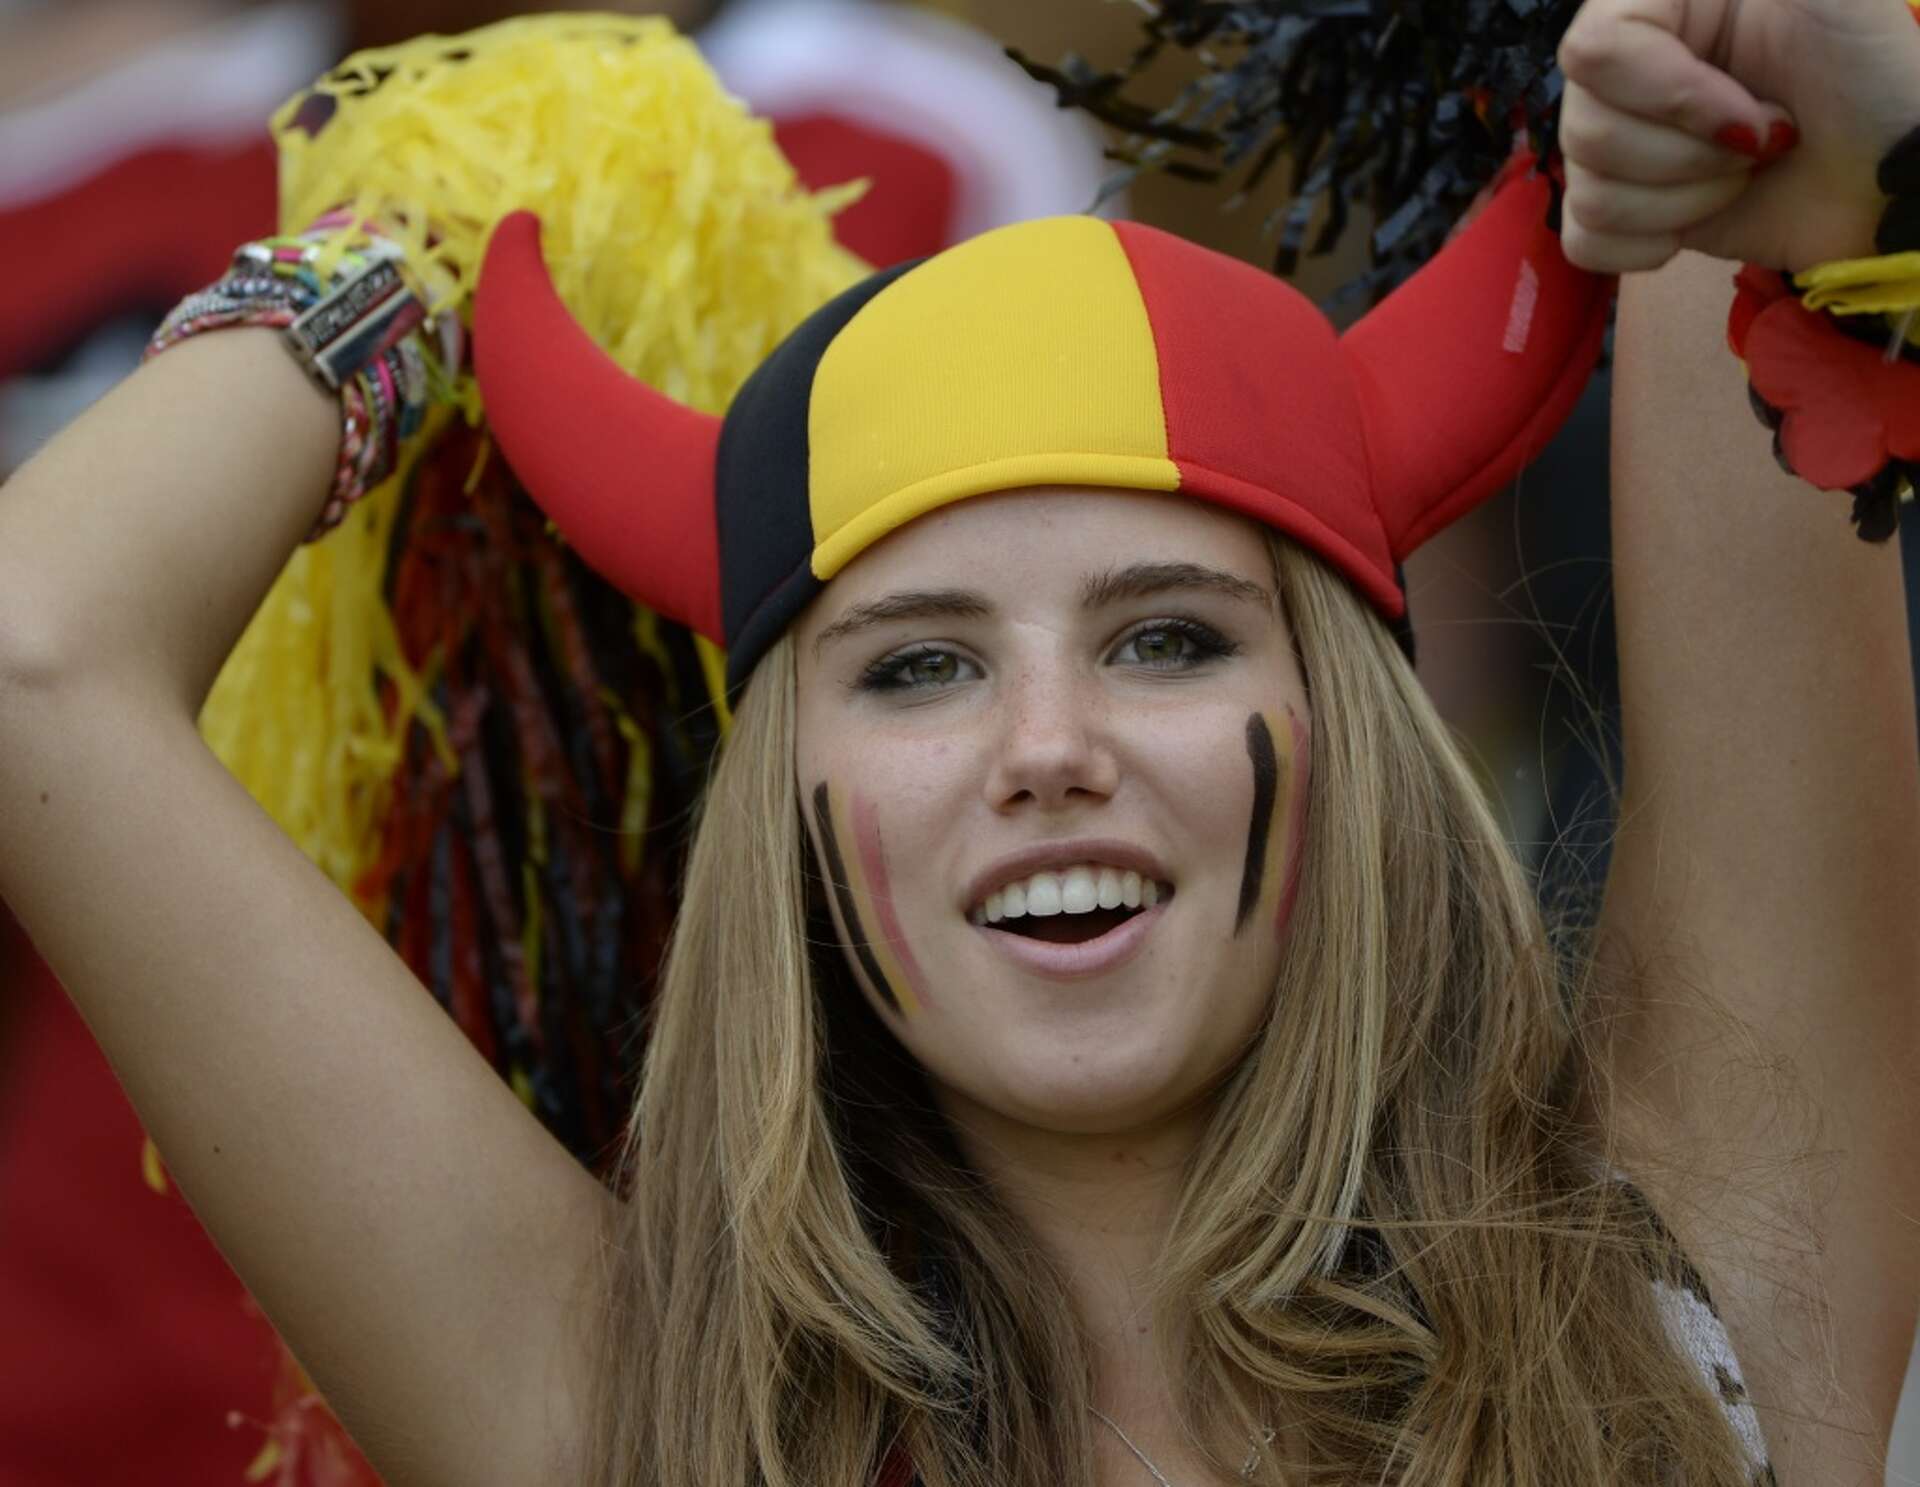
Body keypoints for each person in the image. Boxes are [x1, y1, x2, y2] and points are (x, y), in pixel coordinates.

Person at [0, 2, 1915, 1486]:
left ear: (1350, 735)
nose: (1048, 746)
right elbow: (40, 644)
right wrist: (434, 205)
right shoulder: (629, 1421)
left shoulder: (1674, 1319)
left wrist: (1845, 167)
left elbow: (1764, 174)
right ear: (784, 809)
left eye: (1166, 639)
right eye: (918, 670)